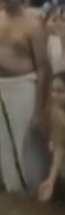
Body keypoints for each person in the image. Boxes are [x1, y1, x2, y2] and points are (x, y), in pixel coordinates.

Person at [0, 0, 51, 193]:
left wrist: (39, 110)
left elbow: (43, 69)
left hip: (24, 88)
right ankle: (11, 189)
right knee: (2, 142)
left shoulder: (34, 26)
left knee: (26, 143)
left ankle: (31, 191)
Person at [38, 73, 65, 202]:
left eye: (60, 91)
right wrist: (51, 180)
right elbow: (59, 148)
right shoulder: (57, 113)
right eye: (53, 91)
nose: (54, 95)